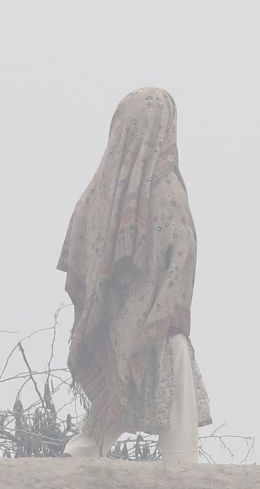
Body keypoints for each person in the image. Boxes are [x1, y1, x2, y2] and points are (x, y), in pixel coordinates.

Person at [57, 88, 211, 463]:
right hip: (157, 315)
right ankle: (182, 468)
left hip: (116, 317)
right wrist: (165, 305)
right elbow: (183, 252)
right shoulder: (164, 186)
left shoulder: (102, 189)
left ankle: (83, 452)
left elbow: (82, 249)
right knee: (174, 378)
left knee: (120, 387)